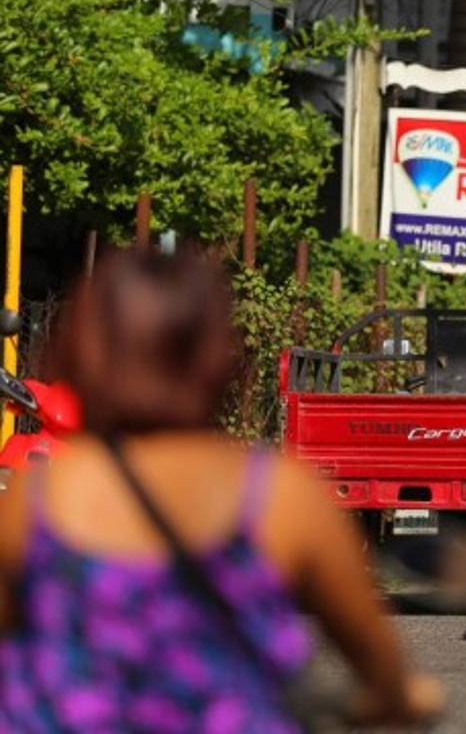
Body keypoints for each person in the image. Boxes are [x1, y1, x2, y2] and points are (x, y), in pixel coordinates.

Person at [0, 249, 443, 731]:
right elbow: (377, 664)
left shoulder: (37, 499)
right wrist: (401, 698)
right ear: (215, 353)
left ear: (82, 351)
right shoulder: (280, 495)